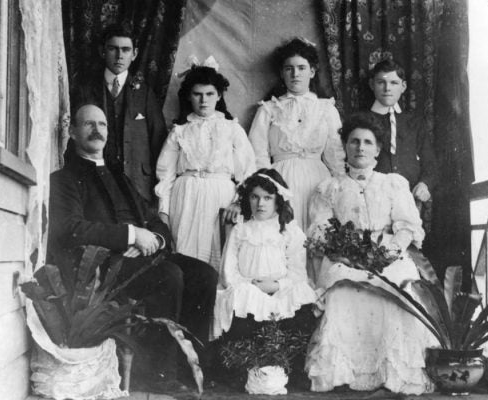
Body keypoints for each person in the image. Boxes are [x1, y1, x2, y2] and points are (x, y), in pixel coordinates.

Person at [48, 104, 218, 389]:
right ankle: (156, 374)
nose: (97, 130)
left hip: (141, 255)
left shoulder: (119, 177)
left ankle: (190, 369)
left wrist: (152, 241)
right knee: (168, 276)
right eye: (88, 124)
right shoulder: (64, 179)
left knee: (204, 274)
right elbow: (71, 229)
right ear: (73, 132)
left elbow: (155, 222)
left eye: (102, 125)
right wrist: (130, 235)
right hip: (105, 264)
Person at [304, 113, 436, 394]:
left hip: (387, 253)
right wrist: (345, 254)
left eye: (367, 142)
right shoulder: (330, 188)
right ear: (345, 147)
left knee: (399, 285)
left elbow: (406, 226)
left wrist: (388, 252)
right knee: (341, 287)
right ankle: (345, 373)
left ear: (378, 149)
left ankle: (393, 372)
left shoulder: (393, 183)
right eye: (354, 142)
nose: (360, 148)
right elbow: (321, 229)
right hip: (345, 255)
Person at [155, 59, 256, 269]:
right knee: (184, 255)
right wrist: (163, 212)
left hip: (220, 198)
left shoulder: (232, 129)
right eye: (197, 94)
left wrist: (238, 202)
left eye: (209, 94)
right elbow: (165, 175)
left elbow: (248, 171)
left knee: (219, 258)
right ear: (189, 96)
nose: (203, 100)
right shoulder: (179, 131)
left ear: (219, 96)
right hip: (186, 197)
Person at [248, 37, 346, 235]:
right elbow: (257, 154)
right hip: (281, 182)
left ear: (312, 71)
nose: (295, 74)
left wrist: (338, 188)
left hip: (318, 182)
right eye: (289, 68)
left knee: (318, 236)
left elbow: (336, 157)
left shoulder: (326, 109)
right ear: (282, 73)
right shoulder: (268, 109)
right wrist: (269, 188)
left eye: (301, 68)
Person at [211, 169, 317, 343]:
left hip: (280, 290)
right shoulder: (240, 230)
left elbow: (298, 274)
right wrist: (251, 286)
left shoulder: (290, 231)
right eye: (255, 197)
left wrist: (275, 286)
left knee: (300, 300)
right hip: (248, 289)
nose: (260, 204)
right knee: (242, 303)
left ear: (278, 201)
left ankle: (284, 364)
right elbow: (228, 272)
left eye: (267, 198)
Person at [70, 24, 167, 202]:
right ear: (102, 51)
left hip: (137, 183)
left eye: (126, 50)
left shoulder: (145, 93)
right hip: (96, 181)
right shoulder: (86, 89)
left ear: (135, 54)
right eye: (113, 49)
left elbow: (158, 141)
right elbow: (73, 137)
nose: (119, 56)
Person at [368, 59, 438, 204]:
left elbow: (430, 164)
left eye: (394, 83)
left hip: (409, 198)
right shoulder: (363, 120)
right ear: (372, 85)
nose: (387, 88)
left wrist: (425, 184)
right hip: (373, 198)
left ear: (403, 86)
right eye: (381, 82)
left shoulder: (415, 122)